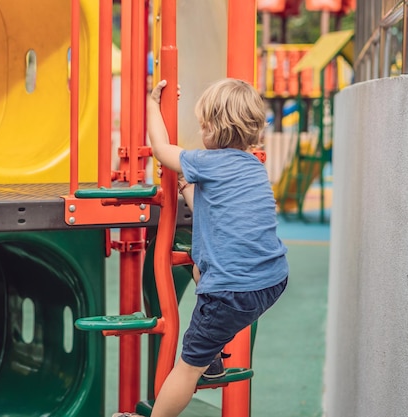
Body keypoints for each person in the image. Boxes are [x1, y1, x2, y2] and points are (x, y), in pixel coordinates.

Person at [112, 78, 289, 417]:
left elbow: (163, 151)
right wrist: (186, 189)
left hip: (232, 291)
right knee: (199, 268)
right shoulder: (253, 166)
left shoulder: (207, 163)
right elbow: (214, 209)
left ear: (211, 129)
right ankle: (213, 361)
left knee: (185, 368)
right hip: (272, 280)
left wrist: (152, 105)